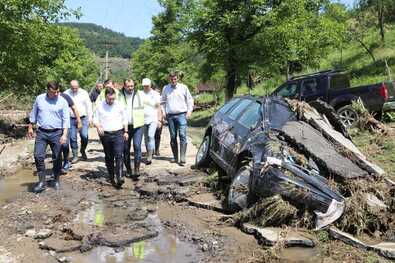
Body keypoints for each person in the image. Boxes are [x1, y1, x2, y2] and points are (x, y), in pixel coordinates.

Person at [27, 81, 70, 192]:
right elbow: (34, 113)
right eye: (53, 92)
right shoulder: (39, 99)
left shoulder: (62, 101)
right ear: (47, 90)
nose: (56, 94)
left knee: (57, 157)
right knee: (38, 156)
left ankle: (56, 180)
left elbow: (66, 119)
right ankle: (42, 182)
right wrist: (30, 127)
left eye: (57, 92)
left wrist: (64, 135)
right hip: (42, 132)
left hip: (57, 133)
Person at [93, 87, 128, 188]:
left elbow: (125, 118)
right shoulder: (100, 106)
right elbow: (95, 119)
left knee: (119, 154)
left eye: (113, 98)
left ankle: (120, 176)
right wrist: (98, 126)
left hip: (118, 132)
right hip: (106, 134)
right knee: (109, 156)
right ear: (105, 97)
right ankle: (111, 176)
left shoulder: (119, 105)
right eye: (109, 99)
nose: (111, 101)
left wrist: (125, 131)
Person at [161, 72, 194, 166]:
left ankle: (182, 157)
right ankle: (176, 157)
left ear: (177, 78)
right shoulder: (165, 88)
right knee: (173, 136)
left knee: (183, 135)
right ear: (169, 79)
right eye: (171, 79)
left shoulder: (184, 87)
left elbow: (190, 100)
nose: (173, 80)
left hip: (182, 114)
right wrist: (164, 113)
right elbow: (162, 102)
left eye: (175, 79)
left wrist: (189, 111)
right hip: (170, 116)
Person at [118, 79, 145, 179]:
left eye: (132, 86)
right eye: (128, 86)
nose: (131, 88)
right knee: (125, 149)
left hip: (138, 125)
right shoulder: (119, 95)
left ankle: (137, 169)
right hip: (124, 127)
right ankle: (128, 170)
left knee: (137, 146)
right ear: (124, 86)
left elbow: (151, 104)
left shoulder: (140, 94)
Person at [64, 80, 92, 163]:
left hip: (83, 118)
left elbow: (89, 106)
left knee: (84, 136)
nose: (74, 89)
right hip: (71, 118)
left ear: (78, 86)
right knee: (72, 137)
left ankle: (82, 150)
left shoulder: (84, 93)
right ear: (70, 86)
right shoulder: (66, 93)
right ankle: (75, 155)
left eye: (76, 88)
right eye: (72, 88)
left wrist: (90, 118)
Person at [60, 91, 81, 172]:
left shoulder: (65, 97)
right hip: (56, 125)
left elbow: (74, 108)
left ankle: (66, 162)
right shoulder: (46, 99)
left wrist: (78, 120)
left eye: (58, 92)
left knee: (66, 143)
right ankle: (58, 165)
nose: (56, 94)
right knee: (59, 145)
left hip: (68, 122)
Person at [142, 78, 162, 165]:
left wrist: (159, 120)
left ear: (150, 85)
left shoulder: (155, 94)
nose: (146, 87)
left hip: (153, 118)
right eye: (144, 86)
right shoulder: (140, 94)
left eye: (147, 86)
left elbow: (158, 107)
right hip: (143, 119)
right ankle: (148, 152)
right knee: (146, 138)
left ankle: (150, 156)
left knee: (150, 136)